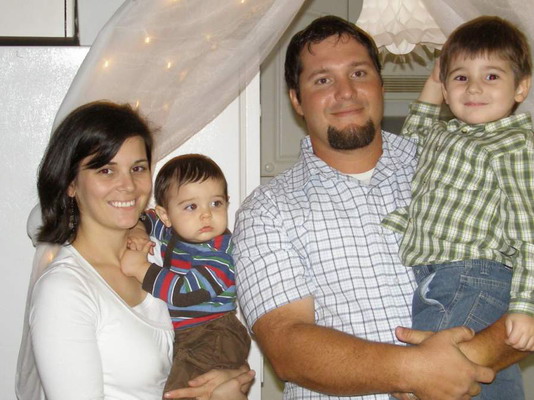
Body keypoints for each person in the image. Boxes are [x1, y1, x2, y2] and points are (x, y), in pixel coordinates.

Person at [232, 15, 527, 400]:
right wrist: (417, 373)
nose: (346, 92)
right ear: (296, 100)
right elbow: (288, 345)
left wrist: (457, 365)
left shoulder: (458, 164)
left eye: (358, 73)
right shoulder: (266, 210)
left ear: (380, 84)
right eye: (322, 80)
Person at [21, 101, 253, 400]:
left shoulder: (161, 252)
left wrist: (229, 378)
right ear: (70, 183)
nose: (128, 185)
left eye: (138, 168)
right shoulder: (65, 289)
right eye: (106, 170)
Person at [382, 16, 533, 398]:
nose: (475, 88)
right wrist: (434, 83)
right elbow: (411, 140)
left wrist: (525, 306)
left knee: (433, 377)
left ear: (521, 87)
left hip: (473, 276)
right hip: (438, 276)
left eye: (492, 76)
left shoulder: (514, 145)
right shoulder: (444, 134)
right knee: (485, 378)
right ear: (446, 89)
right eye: (461, 77)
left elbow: (528, 231)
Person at [121, 153, 250, 396]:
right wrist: (138, 229)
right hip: (187, 335)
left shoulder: (220, 253)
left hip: (214, 333)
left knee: (179, 392)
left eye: (216, 203)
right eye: (191, 206)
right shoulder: (173, 232)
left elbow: (185, 292)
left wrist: (141, 269)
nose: (206, 214)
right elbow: (143, 216)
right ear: (166, 216)